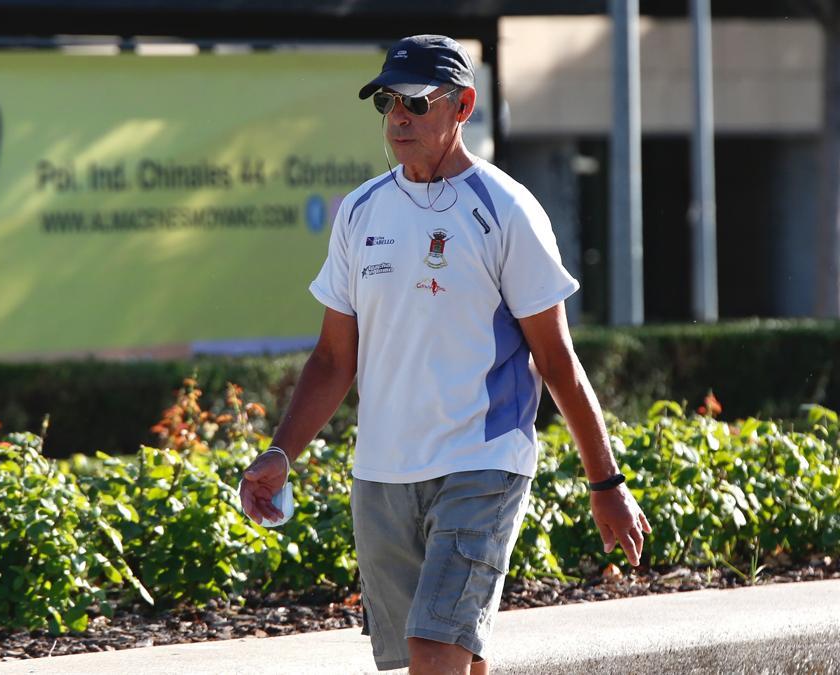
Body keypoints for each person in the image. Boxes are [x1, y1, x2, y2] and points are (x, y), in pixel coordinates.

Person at [239, 34, 652, 675]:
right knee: (444, 656)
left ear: (463, 107)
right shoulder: (359, 212)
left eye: (415, 102)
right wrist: (280, 452)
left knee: (435, 652)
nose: (398, 117)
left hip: (481, 462)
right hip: (382, 474)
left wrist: (606, 484)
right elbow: (330, 361)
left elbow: (557, 360)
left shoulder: (509, 209)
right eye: (386, 102)